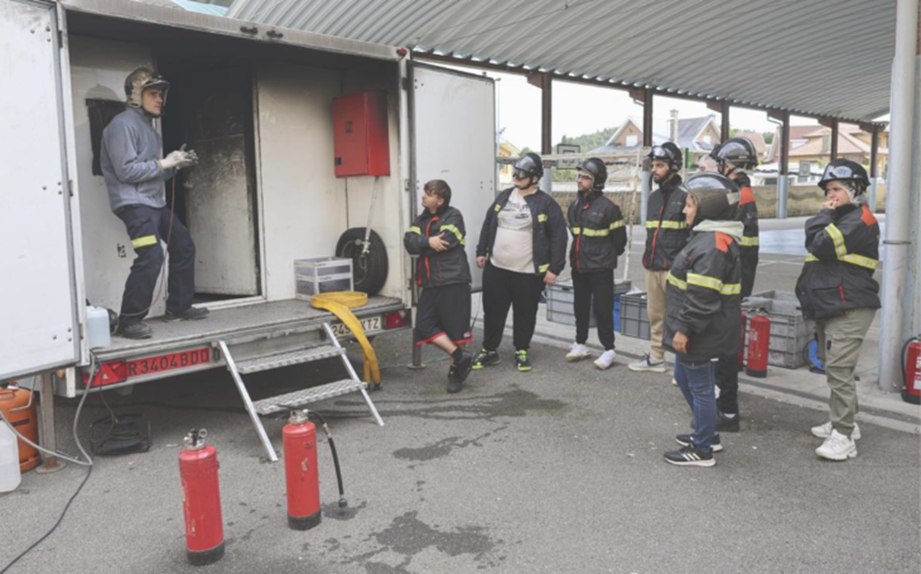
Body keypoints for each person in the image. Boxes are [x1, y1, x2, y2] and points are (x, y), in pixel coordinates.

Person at [100, 67, 206, 340]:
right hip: (134, 205)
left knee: (183, 246)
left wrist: (176, 164)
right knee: (151, 256)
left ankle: (178, 307)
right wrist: (164, 162)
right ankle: (129, 320)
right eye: (153, 94)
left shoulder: (150, 129)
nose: (160, 99)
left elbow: (155, 170)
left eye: (161, 95)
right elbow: (126, 171)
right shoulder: (122, 125)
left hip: (154, 204)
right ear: (136, 95)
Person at [794, 160, 879, 461]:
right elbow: (815, 241)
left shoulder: (859, 219)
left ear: (855, 190)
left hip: (849, 305)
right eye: (828, 190)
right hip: (834, 303)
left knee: (839, 371)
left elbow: (819, 245)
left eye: (836, 189)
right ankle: (846, 422)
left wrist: (825, 212)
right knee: (835, 369)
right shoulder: (844, 217)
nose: (830, 195)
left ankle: (843, 435)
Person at [662, 173, 743, 467]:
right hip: (702, 329)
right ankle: (706, 433)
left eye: (690, 204)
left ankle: (702, 449)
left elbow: (702, 297)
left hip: (701, 331)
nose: (684, 210)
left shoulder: (712, 245)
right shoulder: (709, 238)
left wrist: (684, 329)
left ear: (707, 207)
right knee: (686, 377)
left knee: (700, 386)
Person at [473, 153, 567, 372]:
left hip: (527, 272)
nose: (516, 176)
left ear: (534, 178)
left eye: (522, 174)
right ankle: (489, 350)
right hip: (496, 268)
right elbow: (489, 224)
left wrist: (555, 268)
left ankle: (521, 350)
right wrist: (481, 251)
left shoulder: (546, 203)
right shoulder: (504, 196)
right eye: (515, 172)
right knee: (493, 311)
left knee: (525, 312)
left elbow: (558, 237)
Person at [709, 136, 760, 431]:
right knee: (725, 346)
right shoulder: (744, 192)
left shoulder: (738, 195)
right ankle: (724, 403)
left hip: (730, 282)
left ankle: (727, 411)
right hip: (737, 280)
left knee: (725, 348)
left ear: (729, 164)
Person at [403, 179, 474, 393]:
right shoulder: (421, 219)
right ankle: (460, 358)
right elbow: (409, 242)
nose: (423, 196)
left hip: (453, 281)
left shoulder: (454, 215)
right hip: (431, 282)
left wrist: (424, 243)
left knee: (455, 331)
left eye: (429, 193)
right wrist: (428, 242)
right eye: (425, 192)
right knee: (423, 325)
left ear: (440, 199)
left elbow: (447, 241)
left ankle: (455, 374)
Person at [628, 142, 689, 374]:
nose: (654, 169)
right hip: (652, 266)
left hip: (675, 270)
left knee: (680, 318)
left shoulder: (686, 196)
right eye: (653, 165)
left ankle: (684, 368)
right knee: (655, 316)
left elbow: (691, 236)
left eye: (660, 165)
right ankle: (656, 357)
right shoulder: (653, 198)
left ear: (674, 167)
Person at [564, 158, 627, 369]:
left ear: (596, 181)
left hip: (601, 269)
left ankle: (609, 349)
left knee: (603, 309)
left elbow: (620, 242)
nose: (579, 180)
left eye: (585, 177)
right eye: (579, 176)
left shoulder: (610, 208)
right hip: (579, 266)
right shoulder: (574, 206)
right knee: (580, 308)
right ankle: (580, 343)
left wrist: (603, 257)